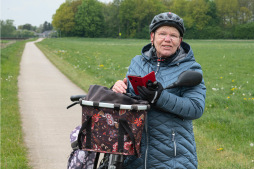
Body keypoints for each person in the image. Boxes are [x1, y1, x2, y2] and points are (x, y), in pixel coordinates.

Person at [112, 12, 206, 169]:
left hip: (173, 158)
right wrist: (117, 89)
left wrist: (160, 97)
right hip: (134, 157)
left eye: (173, 35)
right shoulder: (137, 63)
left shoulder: (191, 68)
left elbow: (196, 108)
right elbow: (127, 99)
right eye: (162, 33)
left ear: (180, 41)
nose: (167, 39)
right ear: (152, 37)